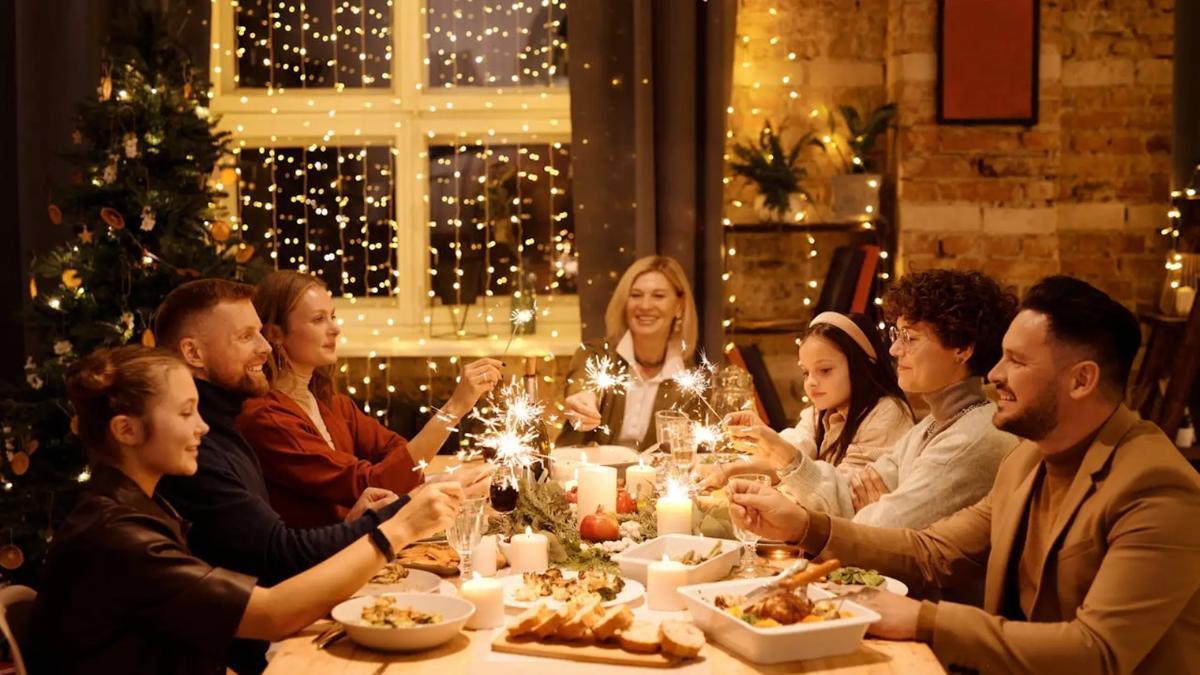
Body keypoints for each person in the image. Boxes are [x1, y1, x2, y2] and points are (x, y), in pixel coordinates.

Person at [727, 276, 1200, 674]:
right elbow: (932, 550)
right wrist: (802, 525)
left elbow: (1097, 651)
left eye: (1016, 361)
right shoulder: (1028, 461)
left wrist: (924, 620)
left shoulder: (1157, 487)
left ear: (1082, 380)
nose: (993, 374)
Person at [31, 346, 465, 675]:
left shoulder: (141, 505)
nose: (202, 426)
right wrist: (397, 529)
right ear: (126, 430)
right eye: (186, 413)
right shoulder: (117, 535)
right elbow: (272, 614)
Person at [148, 278, 475, 673]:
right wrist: (403, 518)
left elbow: (392, 463)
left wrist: (374, 516)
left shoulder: (243, 421)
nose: (265, 348)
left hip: (289, 620)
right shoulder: (230, 434)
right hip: (262, 649)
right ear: (193, 353)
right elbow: (278, 561)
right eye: (247, 336)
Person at [732, 270, 1019, 529]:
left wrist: (871, 508)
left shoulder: (971, 437)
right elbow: (846, 496)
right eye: (897, 335)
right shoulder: (932, 425)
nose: (894, 349)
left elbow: (884, 530)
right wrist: (782, 454)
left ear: (962, 348)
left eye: (910, 338)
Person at [236, 270, 502, 526]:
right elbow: (371, 481)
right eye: (318, 319)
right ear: (275, 335)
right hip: (326, 560)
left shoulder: (328, 400)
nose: (335, 329)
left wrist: (441, 479)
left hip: (363, 538)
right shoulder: (268, 419)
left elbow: (396, 451)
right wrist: (455, 407)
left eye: (333, 316)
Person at [704, 312, 913, 503]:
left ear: (860, 366)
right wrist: (728, 471)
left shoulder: (887, 413)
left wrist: (774, 448)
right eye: (806, 372)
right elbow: (795, 451)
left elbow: (847, 494)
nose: (811, 382)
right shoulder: (819, 412)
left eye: (824, 370)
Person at [557, 256, 702, 449]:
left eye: (658, 296)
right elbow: (582, 382)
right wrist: (581, 401)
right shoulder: (596, 355)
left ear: (678, 306)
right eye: (635, 295)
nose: (644, 305)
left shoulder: (690, 384)